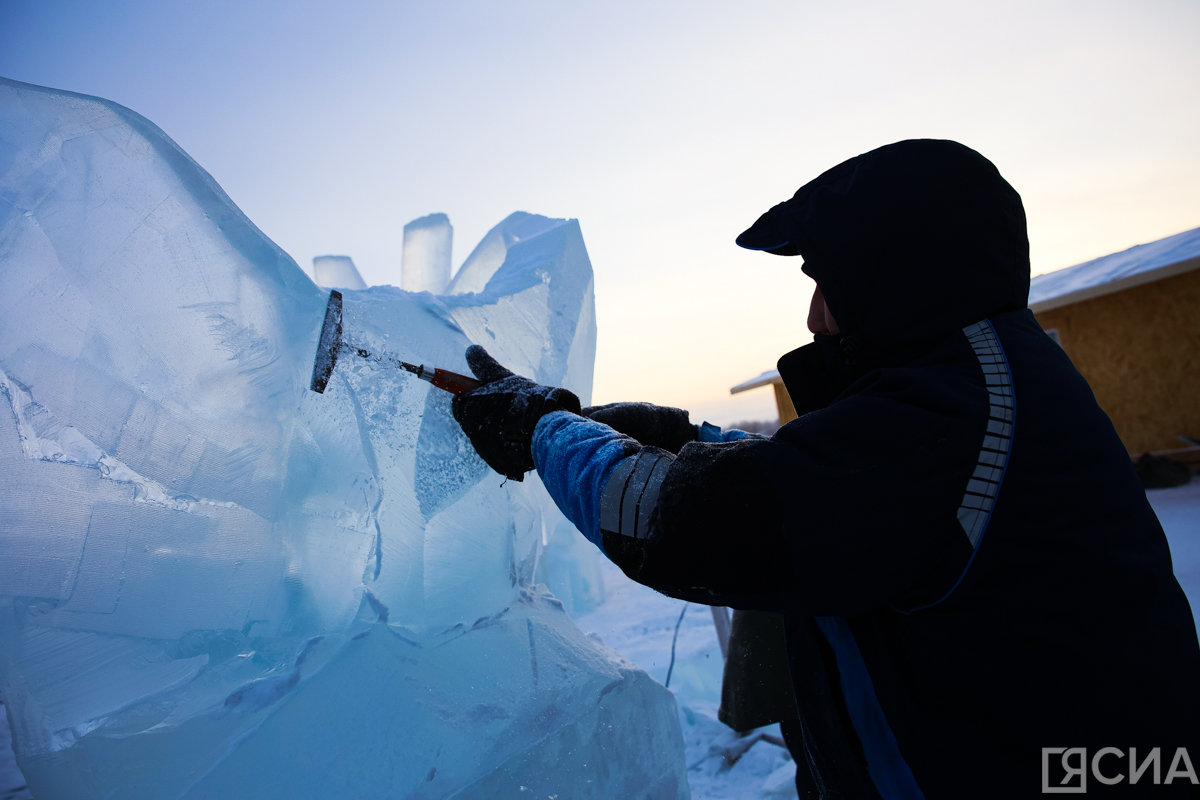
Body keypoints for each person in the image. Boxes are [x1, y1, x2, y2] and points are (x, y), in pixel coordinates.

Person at [450, 139, 1200, 798]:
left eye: (826, 281)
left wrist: (541, 429)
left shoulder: (956, 409)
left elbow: (689, 522)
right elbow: (822, 480)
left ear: (896, 270)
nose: (814, 316)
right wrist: (674, 434)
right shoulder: (976, 377)